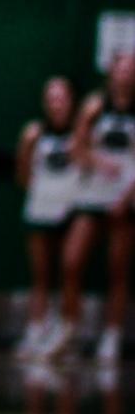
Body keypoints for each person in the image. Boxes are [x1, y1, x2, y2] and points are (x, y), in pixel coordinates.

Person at [56, 51, 135, 363]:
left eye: (132, 67)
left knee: (118, 268)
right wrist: (98, 161)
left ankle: (111, 336)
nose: (127, 72)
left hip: (126, 196)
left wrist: (126, 196)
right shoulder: (95, 104)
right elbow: (76, 148)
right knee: (71, 261)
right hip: (94, 193)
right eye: (123, 66)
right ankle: (70, 330)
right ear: (111, 70)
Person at [16, 75, 78, 357]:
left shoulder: (81, 134)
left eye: (62, 98)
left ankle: (65, 331)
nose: (57, 104)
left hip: (70, 211)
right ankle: (36, 329)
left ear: (71, 101)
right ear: (44, 103)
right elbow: (23, 177)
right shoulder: (35, 133)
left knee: (69, 270)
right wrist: (24, 148)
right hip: (40, 209)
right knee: (40, 276)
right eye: (51, 98)